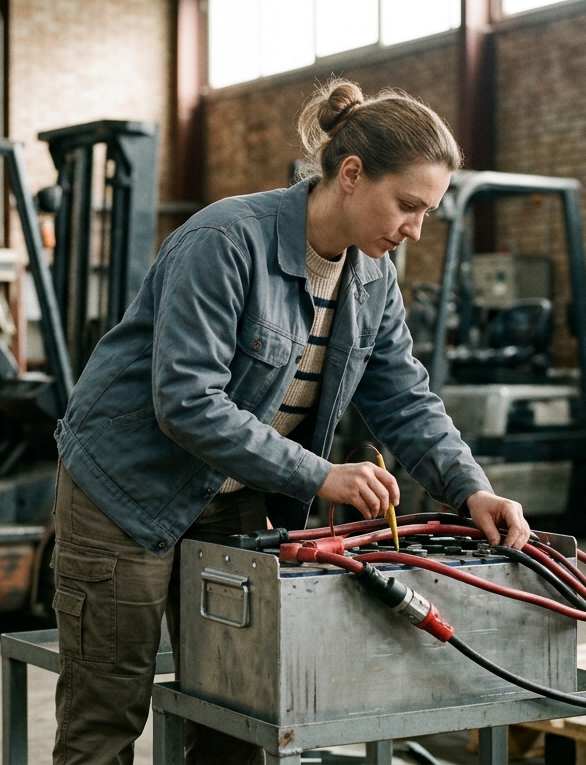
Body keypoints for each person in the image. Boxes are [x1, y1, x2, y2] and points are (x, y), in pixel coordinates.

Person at [49, 79, 531, 764]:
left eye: (427, 213)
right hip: (127, 491)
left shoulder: (372, 279)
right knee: (107, 713)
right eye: (408, 205)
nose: (415, 229)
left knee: (237, 707)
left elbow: (404, 399)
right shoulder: (224, 240)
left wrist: (470, 488)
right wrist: (321, 474)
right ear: (351, 175)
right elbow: (187, 400)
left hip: (232, 498)